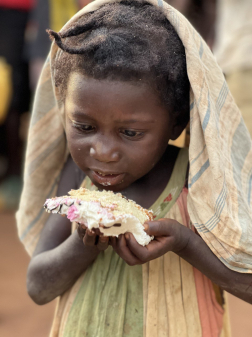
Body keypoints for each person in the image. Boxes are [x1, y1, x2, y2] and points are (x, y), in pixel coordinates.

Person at [16, 0, 252, 336]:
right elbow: (38, 286)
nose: (103, 151)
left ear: (176, 123)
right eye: (84, 127)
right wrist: (81, 245)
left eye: (130, 133)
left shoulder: (195, 179)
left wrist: (186, 243)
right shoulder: (76, 179)